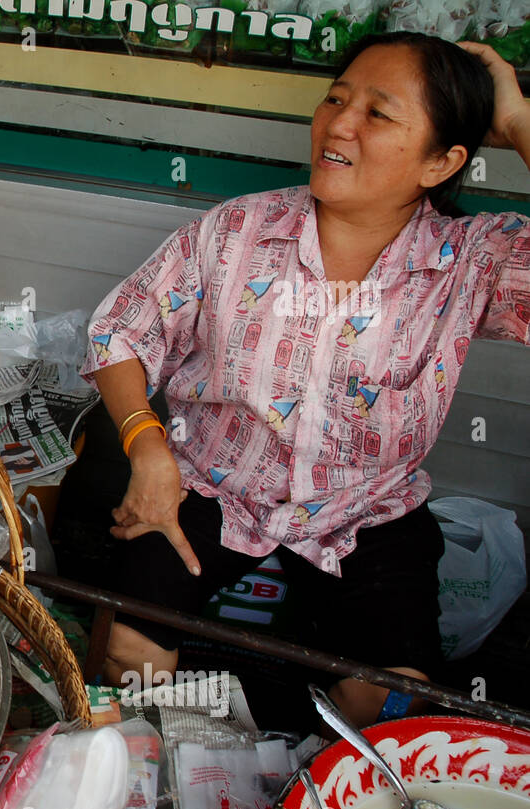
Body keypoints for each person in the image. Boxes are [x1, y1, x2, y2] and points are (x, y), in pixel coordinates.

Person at [82, 34, 530, 728]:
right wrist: (146, 446)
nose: (338, 124)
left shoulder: (473, 262)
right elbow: (121, 331)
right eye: (336, 98)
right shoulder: (239, 231)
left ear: (442, 162)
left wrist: (517, 120)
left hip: (368, 509)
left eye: (378, 114)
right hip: (211, 484)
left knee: (387, 707)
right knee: (126, 662)